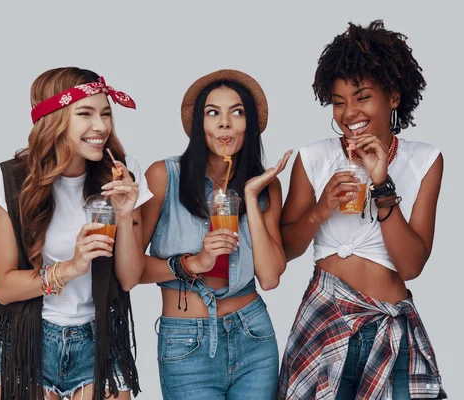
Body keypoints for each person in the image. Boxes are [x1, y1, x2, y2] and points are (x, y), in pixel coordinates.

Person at [277, 21, 448, 399]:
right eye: (339, 102)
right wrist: (320, 210)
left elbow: (411, 266)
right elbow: (284, 250)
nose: (348, 112)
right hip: (325, 318)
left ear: (394, 98)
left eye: (362, 97)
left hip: (391, 324)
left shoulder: (425, 160)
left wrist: (382, 184)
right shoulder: (313, 157)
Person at [0, 67, 152, 399]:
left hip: (100, 341)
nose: (101, 126)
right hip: (27, 342)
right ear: (53, 119)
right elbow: (4, 287)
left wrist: (125, 213)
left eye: (105, 113)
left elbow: (129, 279)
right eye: (85, 113)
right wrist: (71, 267)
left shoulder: (123, 174)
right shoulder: (10, 181)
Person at [139, 69, 292, 399]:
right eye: (213, 113)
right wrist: (192, 263)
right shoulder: (164, 177)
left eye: (237, 112)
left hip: (253, 335)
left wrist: (251, 197)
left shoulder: (267, 187)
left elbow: (269, 278)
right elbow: (128, 269)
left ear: (249, 123)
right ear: (199, 124)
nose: (225, 123)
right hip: (187, 341)